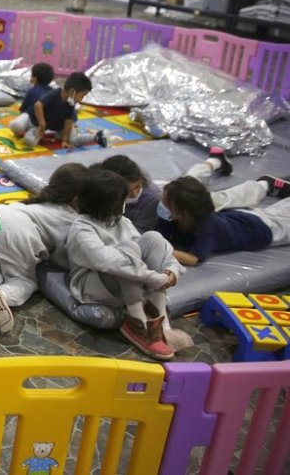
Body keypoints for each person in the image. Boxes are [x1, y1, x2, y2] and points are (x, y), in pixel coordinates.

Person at [65, 170, 184, 361]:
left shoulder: (121, 221)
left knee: (153, 238)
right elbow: (110, 262)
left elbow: (147, 248)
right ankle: (139, 324)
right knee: (124, 257)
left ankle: (164, 325)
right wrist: (155, 279)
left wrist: (171, 270)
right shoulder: (82, 228)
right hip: (94, 284)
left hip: (131, 280)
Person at [0, 162, 88, 334]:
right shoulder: (71, 219)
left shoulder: (37, 200)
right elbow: (62, 257)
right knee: (25, 280)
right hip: (19, 234)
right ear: (77, 200)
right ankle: (2, 295)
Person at [98, 152, 275, 234]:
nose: (134, 192)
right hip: (167, 191)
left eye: (137, 187)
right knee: (189, 179)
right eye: (129, 191)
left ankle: (264, 185)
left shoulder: (150, 199)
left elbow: (137, 233)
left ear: (140, 180)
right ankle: (215, 161)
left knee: (217, 200)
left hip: (170, 198)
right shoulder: (105, 186)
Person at [156, 176, 290, 267]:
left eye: (165, 202)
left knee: (280, 219)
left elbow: (193, 259)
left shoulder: (205, 225)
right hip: (238, 218)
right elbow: (158, 237)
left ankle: (268, 185)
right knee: (275, 213)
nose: (161, 203)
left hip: (260, 230)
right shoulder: (169, 216)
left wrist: (160, 250)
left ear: (182, 213)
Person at [9, 71, 107, 149]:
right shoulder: (54, 94)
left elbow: (68, 121)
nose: (81, 99)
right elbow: (38, 105)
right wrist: (42, 124)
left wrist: (64, 140)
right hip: (32, 118)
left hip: (48, 125)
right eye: (82, 95)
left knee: (31, 141)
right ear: (73, 92)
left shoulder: (70, 103)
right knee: (16, 125)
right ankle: (28, 129)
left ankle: (96, 137)